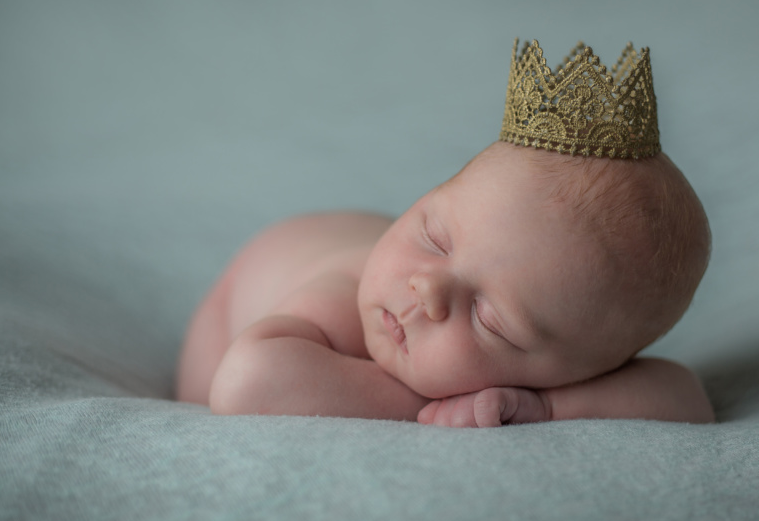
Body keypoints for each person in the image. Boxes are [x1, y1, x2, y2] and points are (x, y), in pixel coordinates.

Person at [176, 40, 715, 427]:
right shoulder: (346, 301)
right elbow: (246, 380)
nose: (426, 289)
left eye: (489, 320)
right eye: (432, 236)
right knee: (198, 401)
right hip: (238, 301)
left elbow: (687, 398)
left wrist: (545, 409)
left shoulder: (560, 338)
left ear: (582, 370)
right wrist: (428, 409)